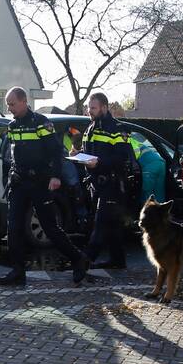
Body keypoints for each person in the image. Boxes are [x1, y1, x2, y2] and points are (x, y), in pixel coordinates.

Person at [0, 87, 89, 286]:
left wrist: (55, 176)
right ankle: (18, 271)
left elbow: (56, 152)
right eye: (8, 105)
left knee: (50, 227)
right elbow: (13, 156)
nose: (9, 108)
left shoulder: (41, 123)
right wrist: (10, 177)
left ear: (23, 101)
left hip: (40, 182)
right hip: (19, 182)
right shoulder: (13, 126)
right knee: (13, 228)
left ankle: (77, 258)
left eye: (12, 104)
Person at [74, 92, 133, 269]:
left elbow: (123, 158)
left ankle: (83, 262)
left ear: (104, 108)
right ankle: (117, 260)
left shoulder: (117, 128)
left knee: (100, 225)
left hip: (113, 183)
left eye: (93, 108)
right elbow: (88, 154)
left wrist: (99, 162)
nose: (89, 111)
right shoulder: (90, 128)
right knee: (113, 225)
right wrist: (77, 156)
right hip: (96, 183)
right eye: (88, 107)